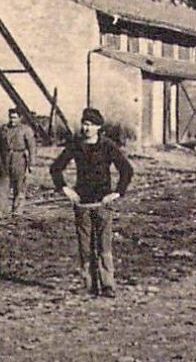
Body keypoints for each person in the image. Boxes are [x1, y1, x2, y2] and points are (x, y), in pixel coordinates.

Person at [50, 107, 134, 297]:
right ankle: (88, 284)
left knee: (104, 245)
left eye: (91, 125)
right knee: (85, 246)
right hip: (82, 204)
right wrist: (65, 189)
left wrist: (116, 193)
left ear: (98, 127)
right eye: (84, 124)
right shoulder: (76, 145)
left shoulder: (107, 146)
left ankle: (107, 284)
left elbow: (126, 170)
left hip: (103, 203)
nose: (86, 128)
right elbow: (56, 168)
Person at [0, 107, 38, 219]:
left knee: (19, 187)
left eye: (14, 117)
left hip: (19, 159)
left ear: (20, 118)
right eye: (10, 117)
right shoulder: (3, 129)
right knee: (2, 187)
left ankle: (17, 211)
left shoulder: (26, 130)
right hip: (5, 160)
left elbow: (32, 147)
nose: (12, 120)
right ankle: (0, 211)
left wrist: (31, 163)